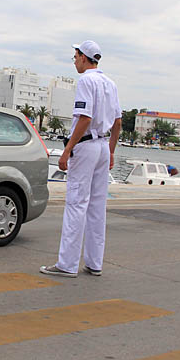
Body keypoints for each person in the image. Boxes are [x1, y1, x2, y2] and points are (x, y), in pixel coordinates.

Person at [40, 40, 121, 278]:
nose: (74, 61)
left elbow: (84, 118)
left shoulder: (86, 80)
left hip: (86, 146)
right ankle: (94, 263)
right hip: (103, 146)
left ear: (84, 57)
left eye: (75, 56)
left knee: (76, 203)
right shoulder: (110, 83)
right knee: (97, 207)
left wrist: (67, 151)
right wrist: (112, 151)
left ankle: (67, 264)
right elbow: (117, 122)